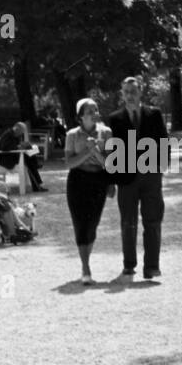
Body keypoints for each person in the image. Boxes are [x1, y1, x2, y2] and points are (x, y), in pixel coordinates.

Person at [108, 76, 168, 280]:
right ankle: (129, 264)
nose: (130, 95)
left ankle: (152, 266)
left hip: (151, 176)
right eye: (126, 92)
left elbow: (163, 142)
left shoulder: (154, 114)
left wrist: (161, 168)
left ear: (141, 91)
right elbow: (113, 151)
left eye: (133, 91)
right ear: (122, 93)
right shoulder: (115, 119)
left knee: (153, 221)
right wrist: (110, 181)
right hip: (126, 179)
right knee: (128, 222)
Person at [65, 97, 113, 284]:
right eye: (90, 112)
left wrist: (111, 183)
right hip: (77, 180)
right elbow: (69, 162)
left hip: (98, 179)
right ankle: (85, 266)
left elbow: (109, 163)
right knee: (79, 223)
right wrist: (87, 151)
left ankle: (86, 260)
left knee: (93, 223)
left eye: (96, 110)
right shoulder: (72, 135)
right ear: (81, 117)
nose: (94, 114)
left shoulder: (107, 133)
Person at [0, 120, 48, 191]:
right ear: (17, 129)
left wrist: (22, 145)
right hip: (6, 159)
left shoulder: (13, 134)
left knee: (30, 152)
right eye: (21, 132)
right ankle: (37, 184)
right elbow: (4, 148)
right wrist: (18, 147)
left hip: (13, 156)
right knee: (30, 163)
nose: (21, 134)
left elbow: (13, 145)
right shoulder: (8, 135)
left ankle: (37, 183)